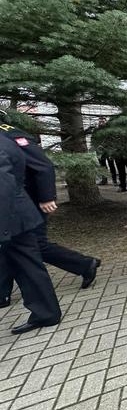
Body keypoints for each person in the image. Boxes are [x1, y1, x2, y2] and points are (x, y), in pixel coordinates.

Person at [0, 119, 100, 309]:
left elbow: (42, 164)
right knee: (11, 247)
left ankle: (84, 264)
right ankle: (2, 293)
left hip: (27, 201)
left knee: (32, 245)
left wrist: (47, 196)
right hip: (16, 202)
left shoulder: (9, 134)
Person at [0, 133, 62, 334]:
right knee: (27, 265)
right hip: (17, 213)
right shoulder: (5, 140)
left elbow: (4, 188)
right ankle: (46, 312)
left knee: (28, 265)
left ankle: (46, 312)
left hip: (11, 216)